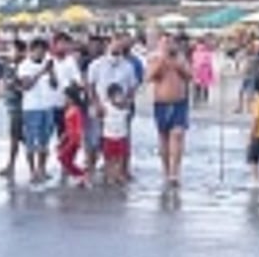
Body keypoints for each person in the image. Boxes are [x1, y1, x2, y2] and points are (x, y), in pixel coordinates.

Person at [85, 34, 139, 178]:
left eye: (120, 43)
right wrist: (96, 105)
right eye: (115, 43)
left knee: (123, 139)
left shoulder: (128, 66)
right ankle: (90, 169)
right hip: (100, 107)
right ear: (108, 44)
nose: (117, 46)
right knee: (95, 140)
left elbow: (133, 87)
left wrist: (127, 102)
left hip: (120, 110)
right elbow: (90, 86)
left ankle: (123, 171)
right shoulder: (96, 64)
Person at [148, 34, 193, 188]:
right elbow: (149, 77)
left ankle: (175, 172)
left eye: (171, 42)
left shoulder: (181, 59)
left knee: (177, 134)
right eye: (165, 43)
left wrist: (178, 66)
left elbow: (190, 76)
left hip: (180, 102)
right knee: (163, 136)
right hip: (161, 102)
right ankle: (166, 171)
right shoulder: (155, 58)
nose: (168, 46)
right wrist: (162, 62)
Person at [18, 38, 58, 185]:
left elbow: (55, 85)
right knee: (30, 141)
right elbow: (27, 85)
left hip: (47, 107)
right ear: (32, 50)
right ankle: (32, 170)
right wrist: (42, 72)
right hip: (31, 108)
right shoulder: (24, 66)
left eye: (43, 50)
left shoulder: (48, 65)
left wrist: (52, 72)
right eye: (38, 50)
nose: (41, 53)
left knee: (44, 142)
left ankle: (42, 169)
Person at [0, 40, 27, 182]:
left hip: (22, 106)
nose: (10, 53)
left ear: (21, 51)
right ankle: (12, 165)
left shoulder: (25, 66)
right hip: (12, 106)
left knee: (19, 137)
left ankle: (13, 166)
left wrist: (14, 85)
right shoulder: (8, 65)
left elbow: (19, 86)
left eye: (12, 50)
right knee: (17, 137)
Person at [100, 83, 131, 187]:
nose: (119, 98)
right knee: (109, 159)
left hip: (121, 137)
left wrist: (123, 105)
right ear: (110, 97)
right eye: (116, 95)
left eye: (120, 95)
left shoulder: (126, 107)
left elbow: (127, 117)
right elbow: (99, 115)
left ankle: (118, 175)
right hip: (109, 137)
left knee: (120, 158)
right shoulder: (105, 107)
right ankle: (110, 176)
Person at [57, 87, 89, 186]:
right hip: (69, 138)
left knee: (62, 157)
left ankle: (81, 174)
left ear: (71, 98)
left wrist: (79, 140)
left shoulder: (76, 110)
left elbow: (79, 127)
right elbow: (68, 127)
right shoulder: (68, 109)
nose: (64, 99)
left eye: (66, 97)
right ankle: (80, 177)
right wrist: (63, 138)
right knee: (66, 159)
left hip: (74, 140)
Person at [191, 38, 215, 107]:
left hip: (198, 71)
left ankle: (197, 99)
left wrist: (194, 68)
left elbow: (193, 61)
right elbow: (209, 62)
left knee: (198, 86)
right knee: (204, 86)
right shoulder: (207, 53)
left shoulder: (195, 52)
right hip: (204, 70)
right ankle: (203, 99)